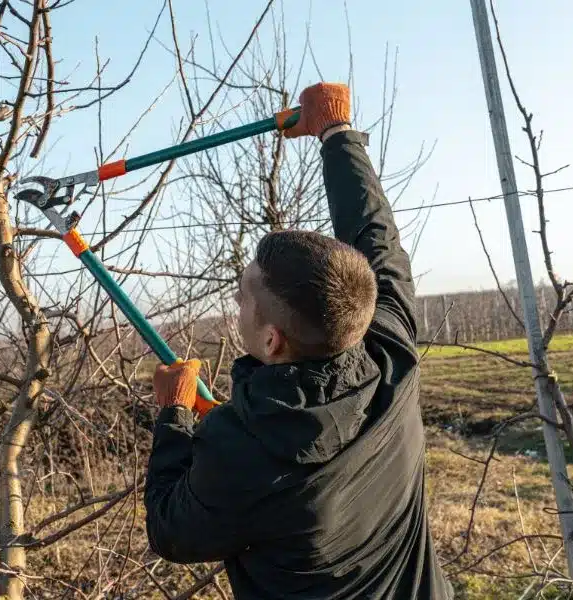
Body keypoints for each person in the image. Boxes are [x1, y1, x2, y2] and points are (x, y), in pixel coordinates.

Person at [143, 82, 455, 599]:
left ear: (271, 341)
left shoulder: (243, 450)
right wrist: (336, 133)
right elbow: (375, 240)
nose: (236, 303)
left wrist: (174, 415)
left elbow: (172, 532)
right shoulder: (392, 357)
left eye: (243, 297)